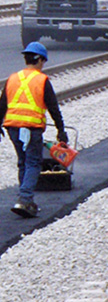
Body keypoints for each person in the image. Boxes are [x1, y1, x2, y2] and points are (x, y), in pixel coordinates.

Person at [0, 41, 68, 218]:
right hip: (31, 128)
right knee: (33, 163)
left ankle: (25, 200)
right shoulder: (42, 80)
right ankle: (24, 198)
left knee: (23, 162)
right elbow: (54, 108)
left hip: (12, 127)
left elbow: (2, 105)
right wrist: (61, 131)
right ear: (40, 60)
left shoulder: (12, 78)